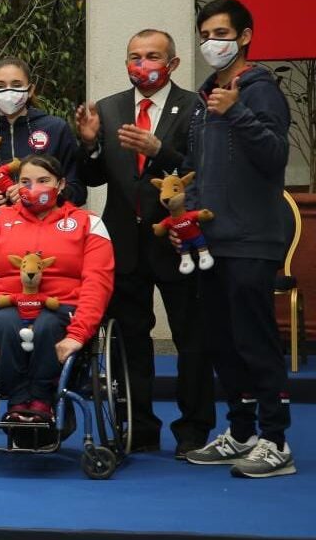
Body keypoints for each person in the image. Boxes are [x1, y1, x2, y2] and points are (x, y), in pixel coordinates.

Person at [76, 28, 215, 458]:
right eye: (134, 56)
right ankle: (139, 425)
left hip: (177, 242)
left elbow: (203, 169)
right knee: (130, 340)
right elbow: (92, 178)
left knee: (191, 339)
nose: (142, 64)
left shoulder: (194, 107)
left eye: (152, 56)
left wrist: (160, 151)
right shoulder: (111, 107)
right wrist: (88, 144)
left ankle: (193, 429)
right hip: (123, 244)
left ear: (172, 63)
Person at [180, 0, 295, 478]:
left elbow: (274, 157)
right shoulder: (206, 96)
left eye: (223, 33)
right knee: (221, 344)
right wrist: (185, 222)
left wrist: (238, 113)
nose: (213, 42)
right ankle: (242, 432)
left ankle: (275, 440)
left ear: (245, 36)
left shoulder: (259, 90)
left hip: (253, 239)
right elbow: (196, 170)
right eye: (206, 33)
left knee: (255, 341)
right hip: (211, 242)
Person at [0, 154, 114, 429]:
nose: (34, 188)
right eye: (26, 182)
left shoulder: (87, 223)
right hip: (8, 305)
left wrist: (79, 334)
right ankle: (19, 403)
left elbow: (98, 281)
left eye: (43, 181)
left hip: (63, 308)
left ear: (61, 184)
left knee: (46, 324)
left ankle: (44, 401)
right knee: (6, 321)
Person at [0, 57, 85, 224]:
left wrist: (41, 194)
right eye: (0, 86)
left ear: (30, 90)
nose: (8, 92)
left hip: (49, 229)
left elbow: (78, 190)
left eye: (16, 85)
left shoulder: (56, 129)